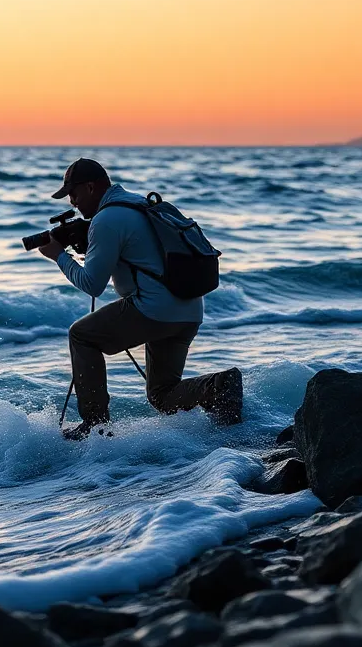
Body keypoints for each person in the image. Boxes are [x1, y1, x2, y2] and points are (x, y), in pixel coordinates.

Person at [35, 158, 243, 439]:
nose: (72, 202)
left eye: (74, 194)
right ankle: (216, 386)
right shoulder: (139, 204)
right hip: (189, 308)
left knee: (82, 336)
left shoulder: (107, 219)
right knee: (162, 395)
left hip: (154, 309)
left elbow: (92, 284)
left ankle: (94, 425)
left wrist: (59, 255)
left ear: (91, 187)